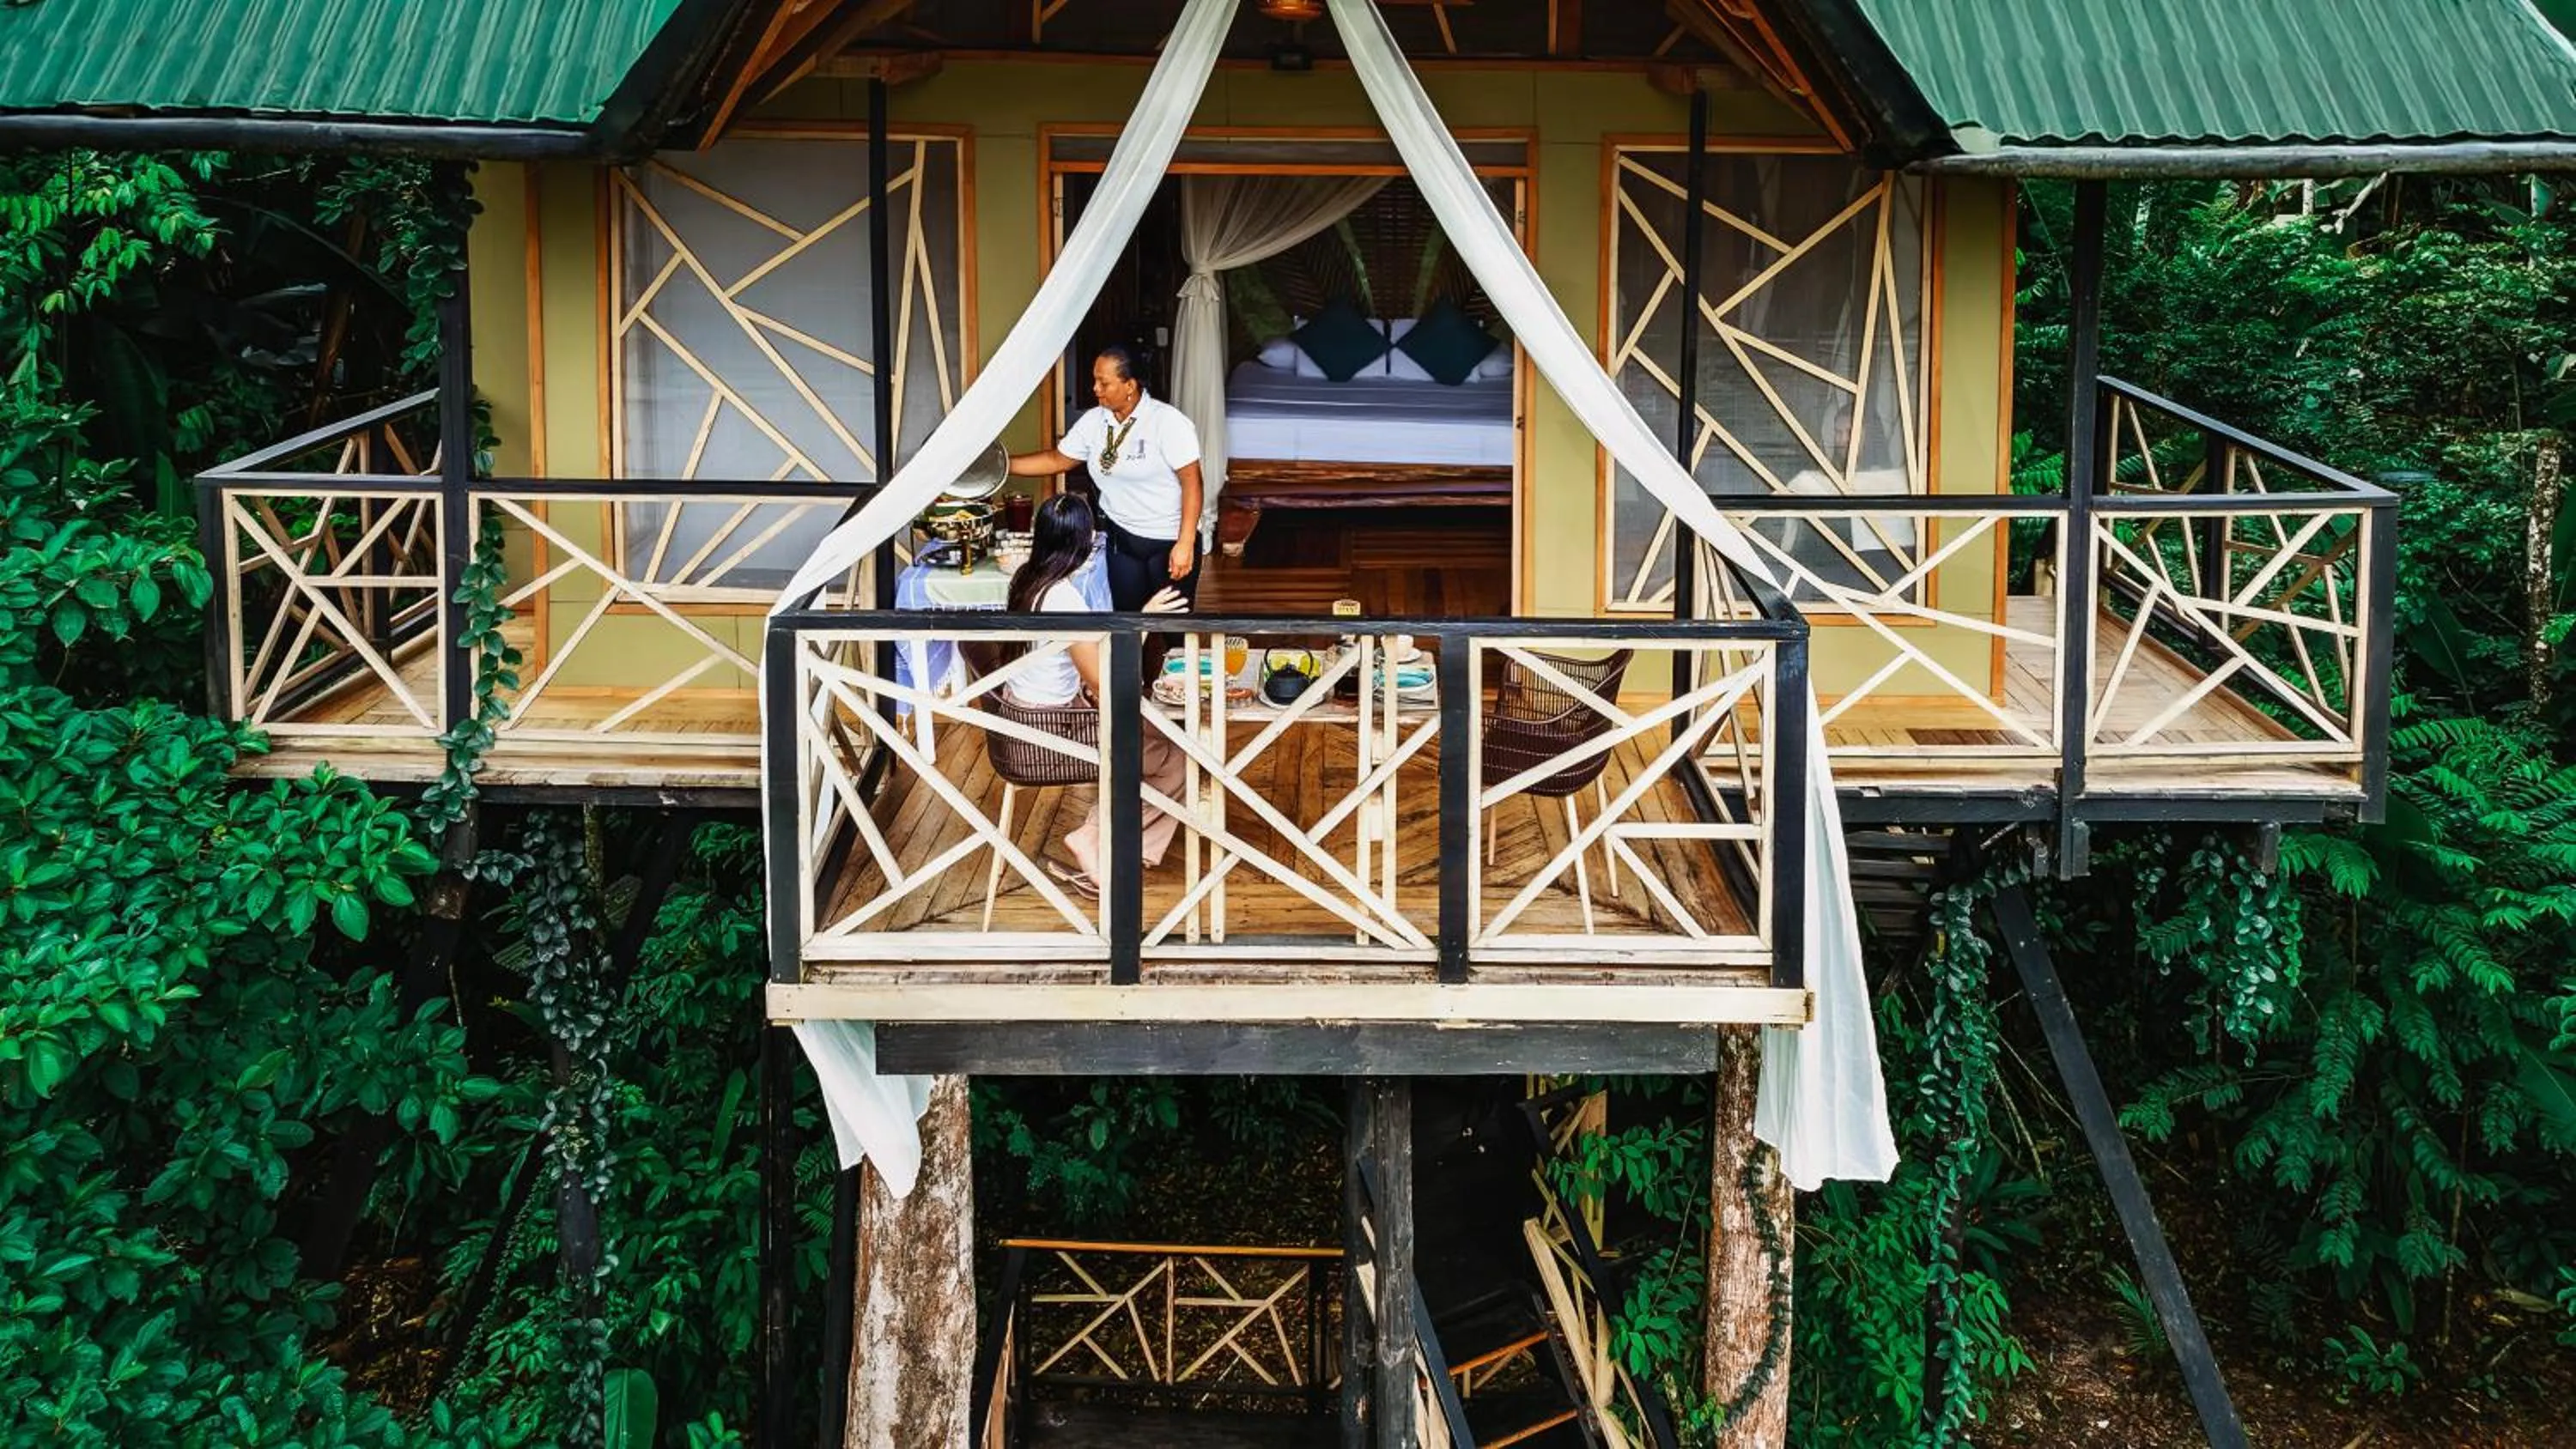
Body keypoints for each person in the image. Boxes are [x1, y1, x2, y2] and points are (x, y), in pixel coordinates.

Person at [998, 493, 1190, 898]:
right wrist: (1144, 620)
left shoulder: (1027, 579)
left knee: (1160, 744)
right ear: (1083, 543)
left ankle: (1108, 846)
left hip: (1021, 717)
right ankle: (1095, 837)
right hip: (1054, 731)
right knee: (1177, 761)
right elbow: (1105, 681)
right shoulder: (1064, 598)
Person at [1007, 345, 1203, 613]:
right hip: (1122, 540)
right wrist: (1002, 465)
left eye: (1104, 382)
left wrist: (1186, 543)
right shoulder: (1095, 421)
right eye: (1095, 380)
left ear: (1130, 385)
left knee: (1173, 630)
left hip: (1168, 541)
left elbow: (1193, 484)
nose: (1095, 389)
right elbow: (1058, 460)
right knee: (1126, 625)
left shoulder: (1168, 422)